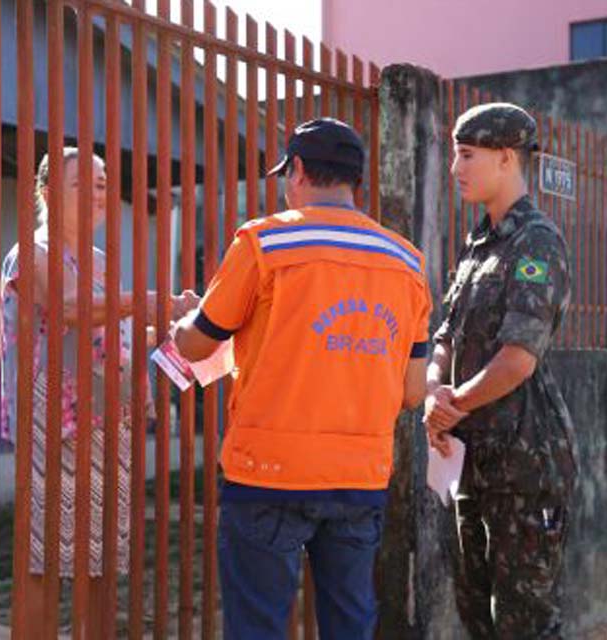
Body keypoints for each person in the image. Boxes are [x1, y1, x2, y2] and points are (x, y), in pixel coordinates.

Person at [173, 118, 431, 639]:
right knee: (350, 624)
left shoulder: (264, 242)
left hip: (268, 471)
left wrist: (187, 318)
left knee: (259, 625)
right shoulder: (408, 262)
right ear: (355, 180)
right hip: (360, 474)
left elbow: (196, 343)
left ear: (297, 171)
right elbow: (412, 392)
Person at [0, 148, 197, 629]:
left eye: (104, 184)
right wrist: (152, 302)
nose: (98, 194)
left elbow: (111, 334)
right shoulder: (32, 252)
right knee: (45, 561)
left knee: (102, 559)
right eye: (82, 184)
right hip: (53, 420)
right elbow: (69, 310)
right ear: (46, 193)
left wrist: (177, 326)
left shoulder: (99, 260)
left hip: (107, 417)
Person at [423, 103, 578, 639]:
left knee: (524, 622)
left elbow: (517, 359)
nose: (455, 168)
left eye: (467, 155)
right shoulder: (476, 247)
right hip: (471, 462)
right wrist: (432, 395)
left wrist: (451, 406)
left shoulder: (536, 242)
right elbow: (443, 336)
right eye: (455, 155)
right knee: (477, 617)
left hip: (525, 468)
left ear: (506, 158)